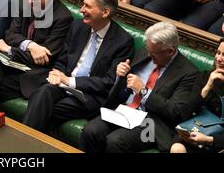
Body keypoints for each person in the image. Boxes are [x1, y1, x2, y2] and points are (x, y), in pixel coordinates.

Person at [22, 0, 134, 132]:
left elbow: (108, 82)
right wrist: (56, 73)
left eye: (87, 6)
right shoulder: (77, 26)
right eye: (82, 4)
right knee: (44, 92)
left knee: (44, 106)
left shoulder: (123, 41)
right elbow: (63, 59)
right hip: (63, 85)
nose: (81, 10)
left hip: (89, 96)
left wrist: (69, 81)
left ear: (105, 12)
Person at [80, 21, 198, 153]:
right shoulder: (146, 51)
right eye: (148, 50)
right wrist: (121, 74)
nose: (149, 55)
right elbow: (125, 87)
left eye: (154, 54)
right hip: (125, 110)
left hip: (152, 123)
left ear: (170, 51)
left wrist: (143, 91)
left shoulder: (188, 73)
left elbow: (175, 111)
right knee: (90, 131)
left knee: (116, 141)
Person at [170, 40, 224, 153]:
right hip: (195, 130)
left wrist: (209, 140)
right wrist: (207, 86)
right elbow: (184, 113)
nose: (219, 58)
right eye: (218, 53)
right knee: (177, 148)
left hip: (218, 141)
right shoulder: (204, 77)